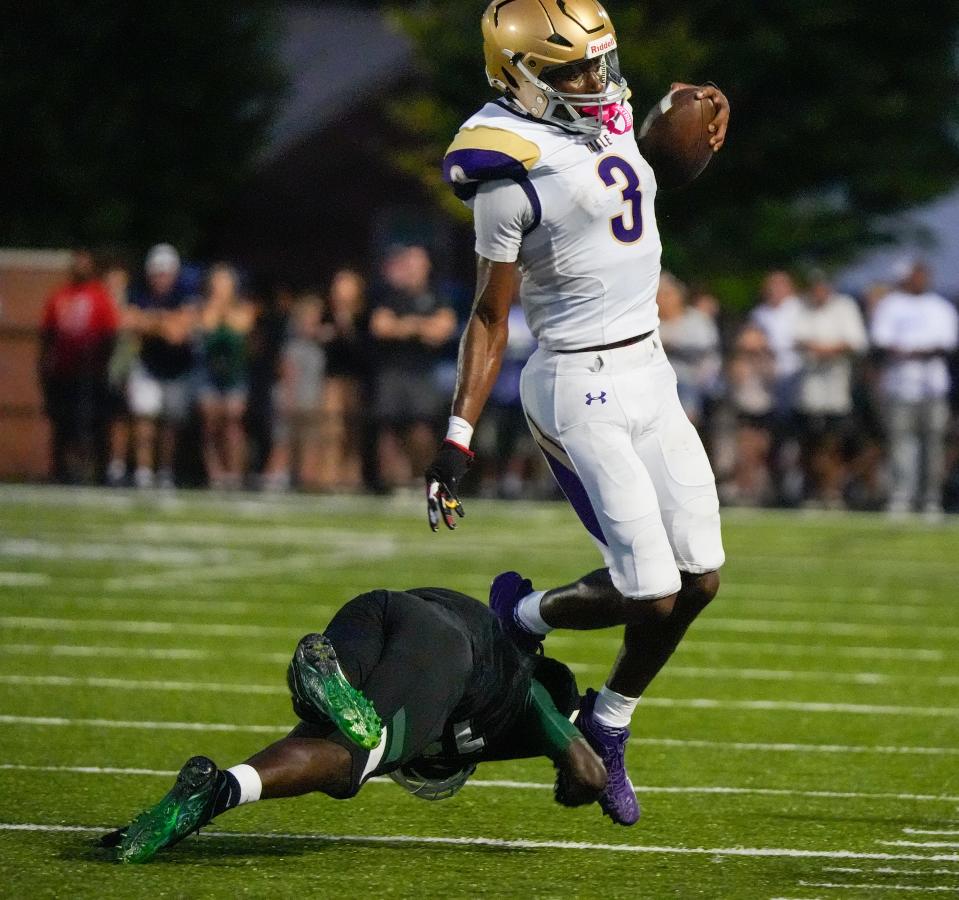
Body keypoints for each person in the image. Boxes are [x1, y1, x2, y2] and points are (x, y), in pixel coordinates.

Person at [424, 0, 729, 826]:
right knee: (650, 593)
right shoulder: (504, 165)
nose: (592, 82)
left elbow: (643, 177)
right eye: (568, 71)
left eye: (597, 62)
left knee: (700, 578)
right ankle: (519, 615)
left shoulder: (610, 113)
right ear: (514, 75)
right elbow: (490, 317)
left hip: (650, 368)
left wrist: (690, 130)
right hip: (576, 381)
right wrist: (457, 435)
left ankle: (609, 721)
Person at [99, 585, 606, 864]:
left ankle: (303, 688)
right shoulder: (524, 695)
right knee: (348, 767)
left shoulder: (495, 664)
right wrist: (575, 774)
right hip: (444, 651)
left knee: (324, 728)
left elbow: (300, 756)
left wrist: (214, 795)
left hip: (382, 607)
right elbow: (588, 768)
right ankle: (215, 794)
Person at [870, 261, 959, 517]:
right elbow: (882, 341)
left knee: (933, 444)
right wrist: (915, 352)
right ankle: (901, 496)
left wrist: (913, 351)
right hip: (900, 386)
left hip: (933, 387)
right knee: (900, 443)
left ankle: (931, 497)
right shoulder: (892, 305)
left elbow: (947, 344)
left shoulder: (940, 308)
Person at [370, 244, 457, 490]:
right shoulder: (390, 296)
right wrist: (420, 327)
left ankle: (424, 479)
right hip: (392, 372)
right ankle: (392, 484)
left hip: (422, 374)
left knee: (422, 429)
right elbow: (380, 327)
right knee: (389, 431)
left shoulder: (437, 296)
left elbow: (442, 330)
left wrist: (404, 326)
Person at [38, 248, 119, 484]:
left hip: (92, 372)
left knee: (95, 422)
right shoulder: (59, 296)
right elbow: (48, 333)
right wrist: (45, 364)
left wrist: (101, 363)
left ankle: (100, 471)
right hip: (64, 370)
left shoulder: (99, 296)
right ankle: (60, 470)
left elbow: (109, 334)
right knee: (62, 423)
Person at [792, 270, 869, 508]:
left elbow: (856, 342)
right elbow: (796, 338)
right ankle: (814, 491)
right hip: (809, 390)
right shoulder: (801, 308)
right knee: (810, 444)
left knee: (834, 443)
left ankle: (832, 490)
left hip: (837, 390)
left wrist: (827, 350)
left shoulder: (844, 308)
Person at [126, 244, 200, 489]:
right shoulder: (138, 291)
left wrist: (152, 322)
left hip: (177, 367)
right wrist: (165, 322)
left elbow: (178, 333)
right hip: (148, 364)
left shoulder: (184, 293)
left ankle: (166, 470)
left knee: (171, 422)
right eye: (158, 273)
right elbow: (129, 321)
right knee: (144, 417)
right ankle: (144, 471)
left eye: (166, 273)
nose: (161, 278)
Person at [197, 264, 255, 489]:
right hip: (208, 373)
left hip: (234, 373)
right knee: (210, 422)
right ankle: (215, 474)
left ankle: (234, 474)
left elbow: (241, 326)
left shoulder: (244, 307)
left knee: (233, 419)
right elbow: (208, 325)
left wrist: (223, 312)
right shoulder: (202, 307)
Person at [750, 270, 804, 504]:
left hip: (796, 380)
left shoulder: (799, 310)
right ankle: (772, 489)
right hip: (766, 382)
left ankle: (795, 488)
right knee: (768, 438)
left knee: (795, 438)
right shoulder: (760, 313)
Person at [262, 295, 326, 490]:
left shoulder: (318, 347)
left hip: (310, 402)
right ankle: (273, 480)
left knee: (310, 443)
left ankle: (307, 482)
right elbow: (287, 375)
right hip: (291, 401)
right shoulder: (291, 347)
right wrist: (288, 401)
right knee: (283, 443)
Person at [316, 269, 370, 490]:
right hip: (333, 376)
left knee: (353, 429)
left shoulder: (363, 314)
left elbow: (363, 346)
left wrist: (345, 324)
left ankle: (352, 476)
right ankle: (328, 475)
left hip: (356, 377)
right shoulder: (327, 312)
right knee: (332, 428)